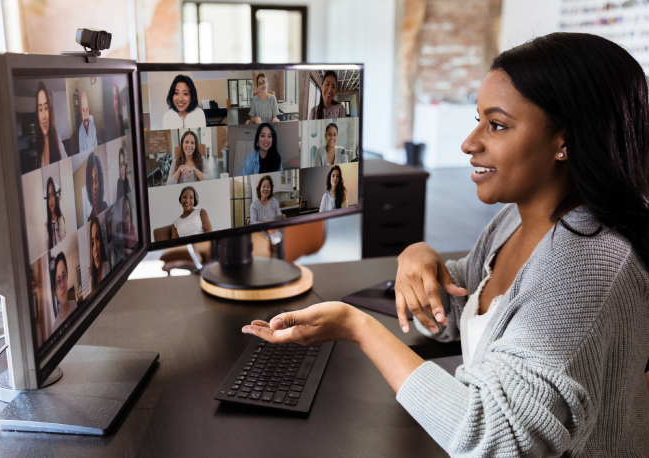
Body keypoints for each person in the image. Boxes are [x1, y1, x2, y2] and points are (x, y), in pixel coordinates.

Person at [242, 33, 649, 456]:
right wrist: (418, 259)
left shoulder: (589, 266)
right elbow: (457, 311)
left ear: (565, 141)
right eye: (478, 119)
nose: (469, 143)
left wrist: (357, 327)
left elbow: (495, 441)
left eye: (497, 125)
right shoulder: (514, 219)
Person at [35, 81, 67, 169]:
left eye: (46, 108)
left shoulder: (57, 141)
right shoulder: (38, 149)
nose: (44, 116)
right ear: (37, 115)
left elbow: (66, 168)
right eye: (40, 109)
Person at [50, 252, 78, 334]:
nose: (62, 284)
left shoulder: (75, 305)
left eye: (63, 276)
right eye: (58, 281)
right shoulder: (55, 329)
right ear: (55, 290)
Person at [89, 217, 111, 289]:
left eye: (97, 238)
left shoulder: (107, 265)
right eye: (92, 243)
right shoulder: (90, 280)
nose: (95, 248)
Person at [45, 177, 66, 249]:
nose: (51, 199)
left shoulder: (61, 219)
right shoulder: (46, 226)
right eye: (48, 196)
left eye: (52, 194)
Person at [86, 153, 108, 220]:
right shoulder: (89, 219)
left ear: (100, 182)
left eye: (96, 180)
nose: (94, 187)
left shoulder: (106, 208)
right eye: (91, 182)